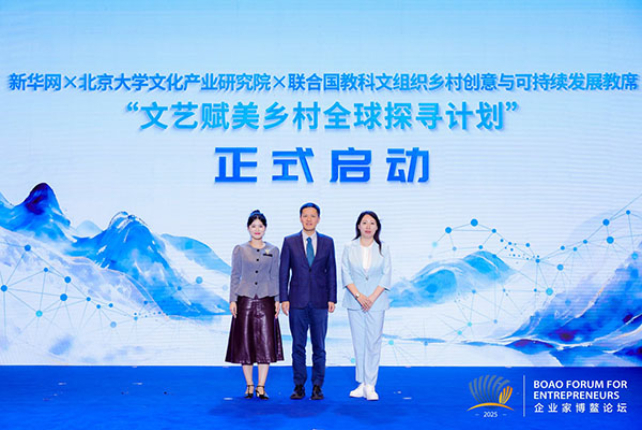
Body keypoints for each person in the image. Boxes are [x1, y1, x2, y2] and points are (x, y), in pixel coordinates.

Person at [280, 202, 337, 400]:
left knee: (319, 346)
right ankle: (299, 385)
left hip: (320, 301)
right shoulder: (290, 241)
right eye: (305, 215)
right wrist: (284, 298)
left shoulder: (328, 242)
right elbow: (283, 273)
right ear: (300, 218)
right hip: (297, 301)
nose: (309, 219)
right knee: (298, 345)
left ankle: (317, 386)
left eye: (313, 216)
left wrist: (332, 297)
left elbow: (331, 272)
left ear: (318, 219)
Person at [225, 210, 283, 400]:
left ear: (265, 228)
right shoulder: (240, 249)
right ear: (248, 228)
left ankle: (261, 386)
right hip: (245, 300)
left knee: (266, 344)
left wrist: (277, 299)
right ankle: (249, 385)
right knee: (246, 344)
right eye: (253, 226)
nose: (257, 229)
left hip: (266, 300)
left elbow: (275, 276)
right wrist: (233, 299)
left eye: (260, 226)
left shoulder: (273, 250)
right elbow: (235, 275)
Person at [341, 211, 391, 401]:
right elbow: (345, 273)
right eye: (364, 223)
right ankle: (361, 383)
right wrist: (359, 296)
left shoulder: (383, 248)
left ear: (377, 227)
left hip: (376, 302)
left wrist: (371, 298)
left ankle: (371, 384)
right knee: (359, 342)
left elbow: (386, 275)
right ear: (358, 226)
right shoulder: (349, 247)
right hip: (355, 301)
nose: (368, 226)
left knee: (373, 342)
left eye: (372, 223)